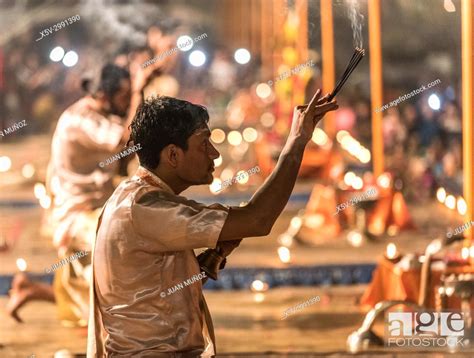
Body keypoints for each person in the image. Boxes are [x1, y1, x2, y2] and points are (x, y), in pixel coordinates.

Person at [87, 91, 338, 357]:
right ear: (173, 155)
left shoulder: (136, 197)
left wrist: (213, 257)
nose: (215, 154)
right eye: (204, 143)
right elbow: (258, 219)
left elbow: (152, 290)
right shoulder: (146, 208)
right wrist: (297, 141)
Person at [7, 63, 149, 325]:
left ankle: (31, 290)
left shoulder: (100, 115)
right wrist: (140, 88)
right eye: (124, 96)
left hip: (93, 208)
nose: (128, 101)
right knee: (121, 244)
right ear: (104, 96)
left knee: (88, 300)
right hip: (76, 214)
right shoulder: (80, 119)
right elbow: (125, 140)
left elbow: (130, 146)